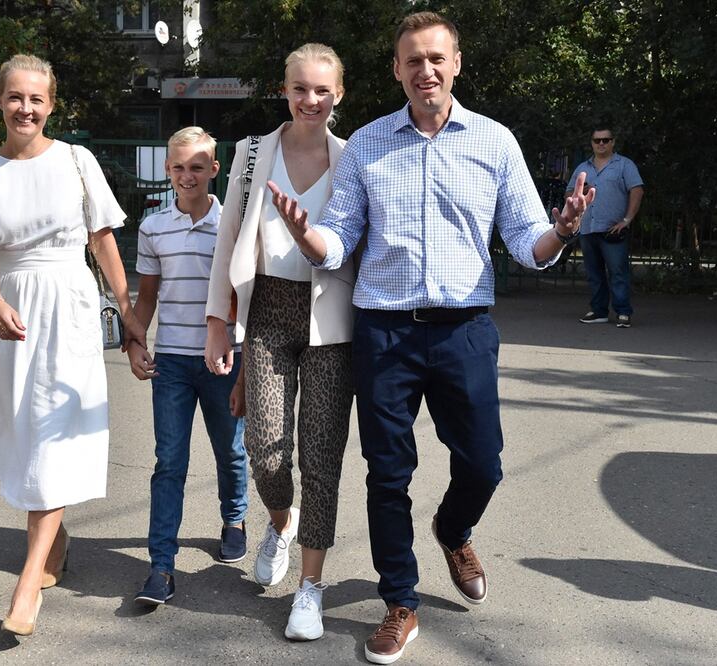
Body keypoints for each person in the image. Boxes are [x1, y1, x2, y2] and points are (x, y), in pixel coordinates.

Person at [267, 13, 592, 664]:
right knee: (387, 477)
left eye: (436, 58)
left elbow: (528, 241)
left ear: (456, 64)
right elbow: (338, 236)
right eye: (412, 60)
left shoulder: (494, 142)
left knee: (484, 463)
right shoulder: (365, 145)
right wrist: (308, 238)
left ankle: (452, 530)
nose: (426, 71)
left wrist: (561, 230)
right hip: (384, 333)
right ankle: (399, 604)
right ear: (396, 70)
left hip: (464, 330)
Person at [0, 54, 144, 638]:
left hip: (70, 309)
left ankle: (27, 581)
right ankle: (55, 540)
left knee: (52, 436)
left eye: (36, 99)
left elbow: (102, 238)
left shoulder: (76, 161)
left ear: (52, 104)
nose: (26, 108)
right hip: (12, 312)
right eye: (16, 97)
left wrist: (129, 310)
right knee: (24, 432)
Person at [204, 43, 356, 641]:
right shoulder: (249, 156)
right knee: (267, 452)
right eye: (300, 88)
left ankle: (311, 589)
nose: (310, 99)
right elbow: (230, 240)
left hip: (332, 322)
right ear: (284, 90)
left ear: (338, 94)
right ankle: (279, 521)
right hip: (266, 311)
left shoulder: (355, 157)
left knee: (321, 460)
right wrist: (220, 320)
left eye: (322, 90)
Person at [127, 127, 250, 607]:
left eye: (197, 166)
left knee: (231, 450)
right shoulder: (153, 228)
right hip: (173, 362)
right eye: (178, 167)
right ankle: (161, 567)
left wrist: (244, 359)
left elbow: (244, 295)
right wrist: (135, 342)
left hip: (224, 358)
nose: (187, 175)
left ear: (214, 170)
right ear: (167, 171)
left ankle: (234, 517)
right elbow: (148, 296)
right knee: (169, 462)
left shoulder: (233, 224)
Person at [570, 127, 644, 328]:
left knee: (618, 272)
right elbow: (570, 193)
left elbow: (636, 190)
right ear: (591, 143)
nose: (601, 144)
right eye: (597, 140)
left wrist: (627, 219)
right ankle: (599, 311)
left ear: (613, 142)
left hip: (613, 229)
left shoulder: (624, 165)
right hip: (588, 227)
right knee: (594, 273)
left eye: (605, 140)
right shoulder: (582, 168)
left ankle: (623, 312)